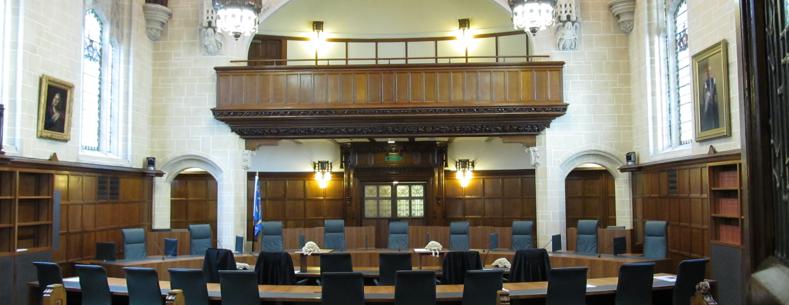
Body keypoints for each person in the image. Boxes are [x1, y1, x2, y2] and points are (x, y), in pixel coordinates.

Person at [701, 64, 720, 131]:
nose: (708, 73)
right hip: (708, 99)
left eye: (709, 71)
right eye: (707, 72)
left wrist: (712, 95)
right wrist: (709, 95)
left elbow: (714, 89)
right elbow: (706, 91)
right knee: (707, 110)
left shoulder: (714, 79)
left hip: (713, 98)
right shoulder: (706, 82)